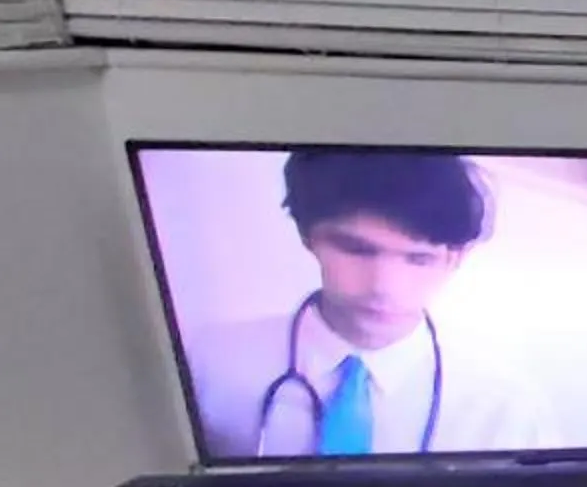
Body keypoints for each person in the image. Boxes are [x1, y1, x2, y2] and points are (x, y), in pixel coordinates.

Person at [189, 151, 559, 459]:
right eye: (356, 250)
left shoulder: (505, 404)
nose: (384, 287)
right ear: (307, 235)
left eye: (418, 259)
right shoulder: (207, 366)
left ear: (455, 259)